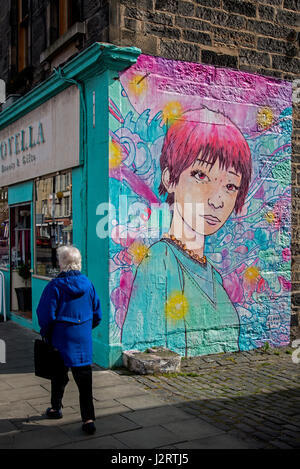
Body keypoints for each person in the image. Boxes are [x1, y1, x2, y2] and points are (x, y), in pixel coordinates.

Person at [121, 107, 252, 357]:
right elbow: (145, 352)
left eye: (231, 186)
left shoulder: (213, 275)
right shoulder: (159, 261)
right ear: (170, 179)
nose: (218, 199)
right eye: (201, 175)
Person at [36, 245, 102, 435]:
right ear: (78, 263)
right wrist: (83, 329)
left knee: (58, 377)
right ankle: (88, 420)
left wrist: (47, 333)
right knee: (84, 380)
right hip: (82, 340)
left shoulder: (55, 286)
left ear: (61, 263)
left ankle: (56, 409)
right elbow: (97, 314)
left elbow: (45, 315)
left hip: (60, 339)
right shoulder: (88, 285)